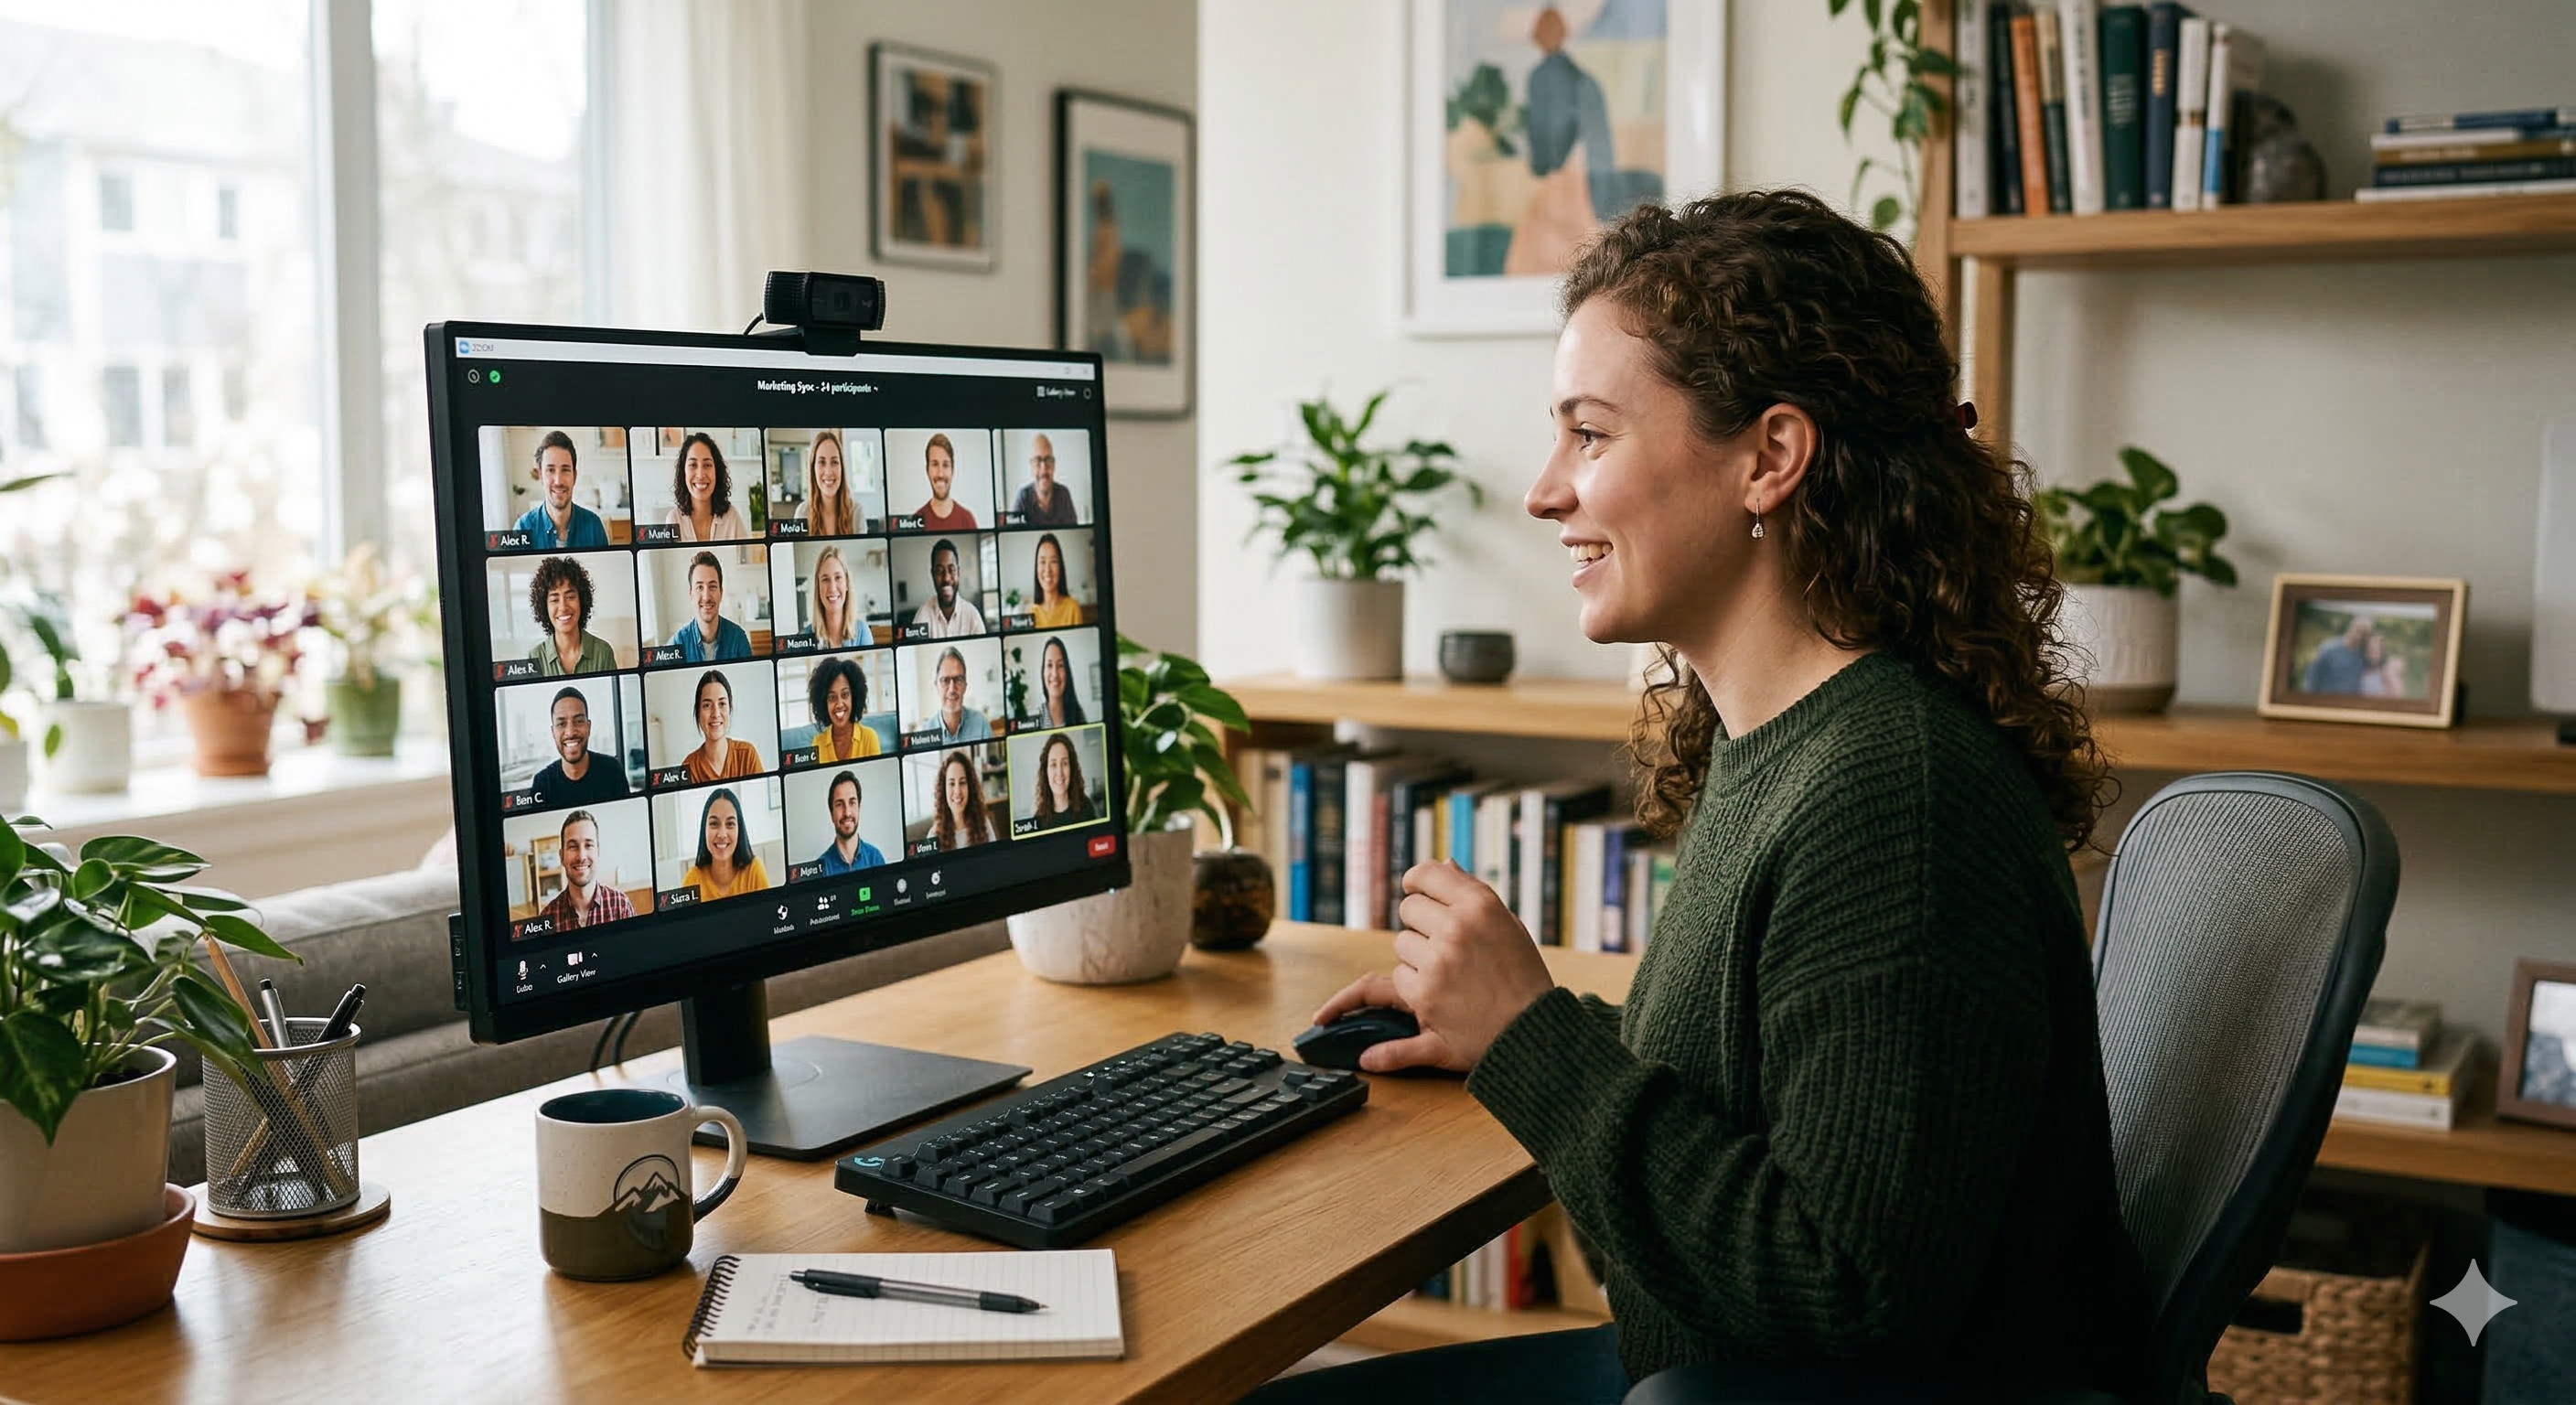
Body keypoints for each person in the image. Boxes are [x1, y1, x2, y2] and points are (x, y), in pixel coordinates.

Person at [1252, 191, 2149, 1405]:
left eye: (1591, 434)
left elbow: (1843, 1298)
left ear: (1770, 457)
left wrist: (1534, 1041)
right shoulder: (1779, 739)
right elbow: (1763, 1100)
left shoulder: (1895, 797)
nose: (1545, 490)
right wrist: (1499, 1030)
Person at [535, 810, 635, 928]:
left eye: (588, 845)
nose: (581, 856)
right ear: (561, 857)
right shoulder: (547, 918)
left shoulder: (621, 906)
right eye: (573, 846)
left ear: (598, 852)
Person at [531, 687, 629, 803]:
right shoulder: (542, 783)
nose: (570, 732)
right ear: (553, 732)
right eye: (561, 724)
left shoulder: (612, 770)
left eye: (578, 721)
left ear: (589, 727)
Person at [513, 430, 610, 549]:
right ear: (541, 476)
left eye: (565, 470)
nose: (558, 481)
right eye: (550, 470)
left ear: (574, 476)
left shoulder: (594, 526)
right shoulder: (523, 528)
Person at [525, 556, 619, 676]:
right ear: (544, 607)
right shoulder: (534, 658)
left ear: (582, 600)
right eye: (554, 600)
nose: (563, 607)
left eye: (570, 597)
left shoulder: (603, 652)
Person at [681, 788, 769, 902]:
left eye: (730, 824)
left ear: (739, 829)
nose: (722, 834)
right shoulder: (692, 880)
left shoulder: (754, 871)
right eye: (714, 824)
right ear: (704, 829)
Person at [669, 551, 753, 661]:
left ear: (721, 593)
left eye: (712, 586)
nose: (706, 597)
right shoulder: (677, 643)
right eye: (699, 587)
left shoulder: (738, 639)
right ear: (691, 594)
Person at [666, 431, 750, 542]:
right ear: (683, 472)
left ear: (717, 471)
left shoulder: (732, 517)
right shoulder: (674, 519)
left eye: (707, 465)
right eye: (693, 465)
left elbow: (747, 558)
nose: (700, 475)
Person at [682, 670, 764, 781]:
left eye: (722, 704)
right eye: (707, 705)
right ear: (698, 713)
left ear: (730, 709)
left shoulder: (748, 754)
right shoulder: (689, 767)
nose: (715, 714)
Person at [808, 654, 882, 761]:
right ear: (824, 703)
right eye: (832, 697)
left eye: (845, 695)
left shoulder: (869, 737)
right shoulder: (818, 742)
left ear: (854, 697)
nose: (839, 704)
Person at [814, 770, 887, 874]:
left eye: (852, 802)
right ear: (831, 814)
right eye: (839, 804)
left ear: (859, 808)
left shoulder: (875, 858)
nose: (847, 813)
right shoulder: (820, 868)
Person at [911, 538, 987, 638]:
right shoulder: (922, 616)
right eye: (939, 571)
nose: (946, 578)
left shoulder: (972, 615)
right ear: (932, 574)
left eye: (952, 570)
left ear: (958, 573)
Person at [931, 749, 998, 850]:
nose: (957, 791)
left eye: (962, 783)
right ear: (943, 789)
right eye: (952, 784)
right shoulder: (934, 835)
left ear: (970, 787)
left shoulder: (984, 825)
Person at [926, 645, 993, 743]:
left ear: (965, 685)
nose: (952, 689)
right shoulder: (925, 732)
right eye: (945, 680)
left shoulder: (981, 723)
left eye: (958, 680)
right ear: (936, 686)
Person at [1028, 732, 1096, 829]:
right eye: (1053, 764)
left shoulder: (1086, 808)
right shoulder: (1038, 821)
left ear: (1071, 768)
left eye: (1064, 763)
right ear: (1046, 771)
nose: (1059, 773)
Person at [1011, 433, 1079, 524]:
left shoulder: (1064, 494)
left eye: (1048, 460)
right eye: (1037, 461)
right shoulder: (1023, 497)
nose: (1044, 469)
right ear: (1031, 466)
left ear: (1054, 465)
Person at [913, 433, 977, 529]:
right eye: (935, 464)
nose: (940, 474)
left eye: (945, 465)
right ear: (927, 470)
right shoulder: (916, 521)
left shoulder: (967, 520)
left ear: (953, 470)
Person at [802, 429, 861, 537]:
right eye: (822, 462)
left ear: (842, 467)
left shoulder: (856, 512)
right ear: (812, 468)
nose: (828, 472)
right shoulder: (802, 513)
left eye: (834, 462)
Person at [808, 545, 866, 649]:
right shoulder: (804, 637)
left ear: (847, 583)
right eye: (825, 579)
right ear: (818, 587)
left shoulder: (863, 632)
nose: (833, 588)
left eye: (838, 577)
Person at [2302, 617, 2373, 694]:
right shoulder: (2328, 649)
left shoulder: (2363, 653)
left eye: (2365, 634)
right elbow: (2313, 678)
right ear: (2350, 628)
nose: (2360, 637)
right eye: (2358, 632)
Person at [1027, 532, 1083, 627]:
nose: (1047, 570)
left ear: (1060, 566)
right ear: (1036, 567)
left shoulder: (1073, 608)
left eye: (1053, 561)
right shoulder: (1032, 612)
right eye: (1042, 562)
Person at [1035, 635, 1087, 727]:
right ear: (1043, 671)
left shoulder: (1078, 714)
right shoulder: (1034, 717)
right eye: (1050, 665)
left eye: (1060, 665)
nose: (1055, 674)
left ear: (1067, 672)